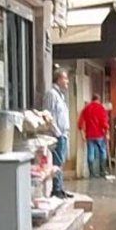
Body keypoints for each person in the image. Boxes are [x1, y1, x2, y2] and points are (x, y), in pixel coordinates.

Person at [43, 68, 73, 198]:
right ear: (59, 79)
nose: (67, 81)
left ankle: (60, 188)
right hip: (56, 135)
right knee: (56, 161)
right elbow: (48, 115)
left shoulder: (60, 95)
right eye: (65, 78)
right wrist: (57, 132)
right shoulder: (51, 94)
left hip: (63, 134)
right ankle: (56, 189)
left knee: (60, 162)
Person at [78, 93, 110, 178]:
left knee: (90, 153)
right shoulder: (101, 108)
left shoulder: (86, 108)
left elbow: (80, 123)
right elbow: (104, 122)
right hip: (100, 134)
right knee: (103, 152)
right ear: (99, 100)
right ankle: (102, 171)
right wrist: (107, 132)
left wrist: (82, 135)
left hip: (89, 135)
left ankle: (91, 173)